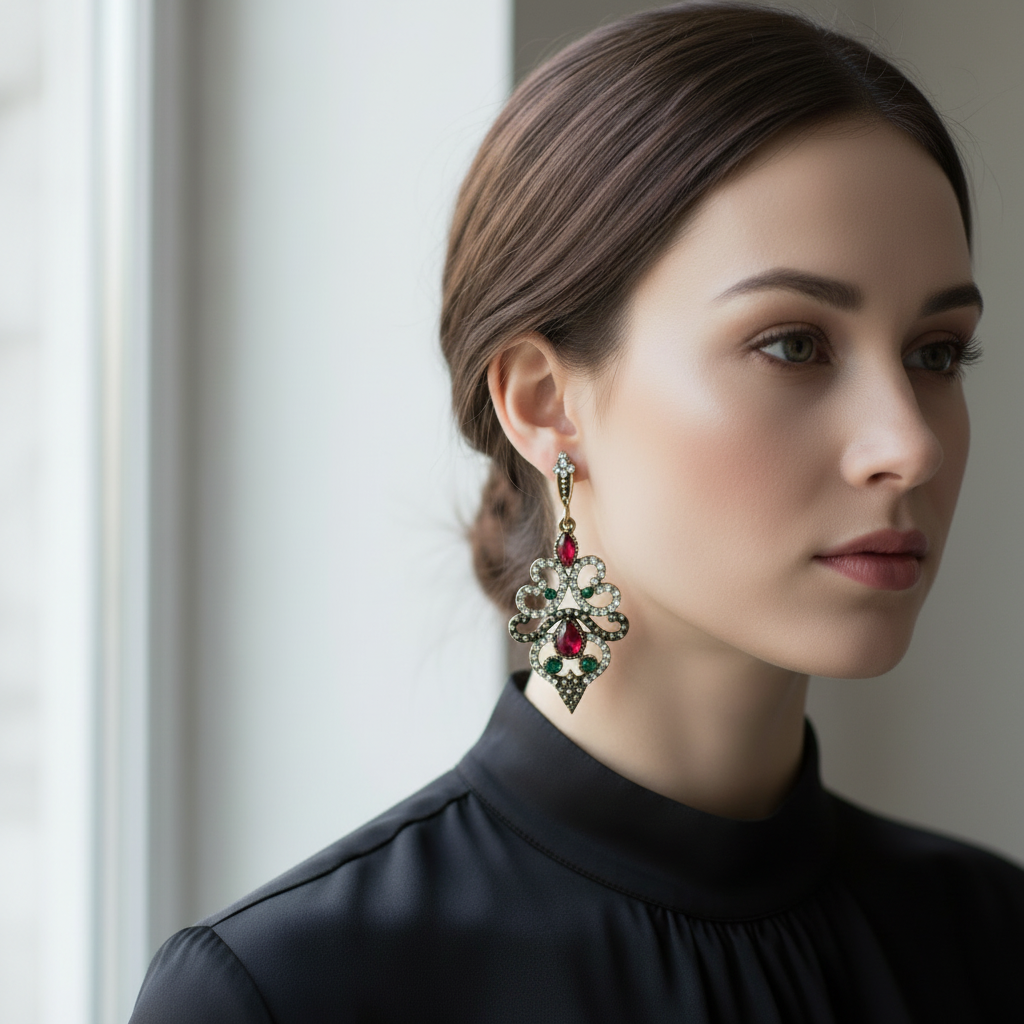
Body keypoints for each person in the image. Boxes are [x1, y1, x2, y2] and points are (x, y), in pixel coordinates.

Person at [130, 3, 1024, 1021]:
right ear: (546, 401)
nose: (908, 443)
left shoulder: (994, 941)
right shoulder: (289, 993)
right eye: (793, 345)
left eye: (935, 354)